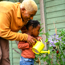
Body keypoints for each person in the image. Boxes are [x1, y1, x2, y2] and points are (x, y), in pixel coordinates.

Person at [0, 0, 38, 65]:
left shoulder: (24, 17)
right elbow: (3, 32)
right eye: (31, 15)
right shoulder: (7, 10)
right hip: (2, 31)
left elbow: (25, 31)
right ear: (23, 9)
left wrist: (33, 39)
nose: (31, 18)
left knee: (5, 57)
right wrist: (25, 37)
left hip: (2, 31)